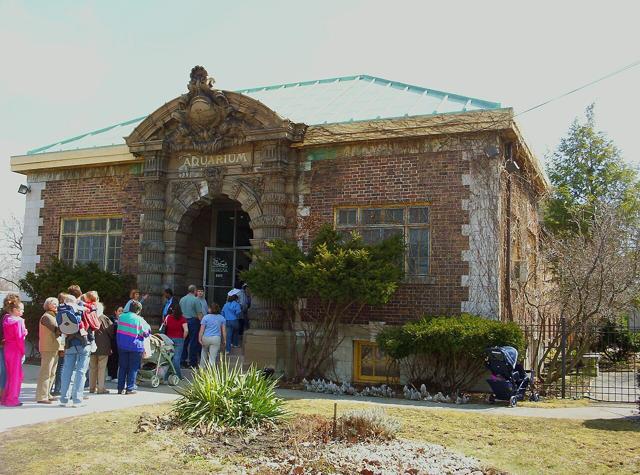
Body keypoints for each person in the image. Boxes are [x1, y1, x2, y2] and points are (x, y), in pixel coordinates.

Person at [57, 293, 91, 408]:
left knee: (67, 371)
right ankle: (77, 399)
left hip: (69, 344)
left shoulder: (61, 310)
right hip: (82, 343)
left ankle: (63, 399)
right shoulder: (78, 309)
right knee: (80, 372)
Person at [116, 300, 150, 395]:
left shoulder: (121, 317)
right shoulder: (139, 319)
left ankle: (120, 388)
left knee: (122, 367)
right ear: (138, 311)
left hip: (122, 345)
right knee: (133, 368)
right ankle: (129, 388)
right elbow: (145, 333)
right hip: (135, 347)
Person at [1, 294, 27, 406]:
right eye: (21, 309)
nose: (23, 311)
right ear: (15, 309)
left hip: (7, 349)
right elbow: (20, 339)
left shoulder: (6, 319)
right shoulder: (19, 321)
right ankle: (12, 399)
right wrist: (23, 352)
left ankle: (5, 398)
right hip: (15, 349)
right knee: (16, 375)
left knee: (9, 375)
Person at [36, 297, 60, 404]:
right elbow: (57, 329)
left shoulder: (53, 315)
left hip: (54, 347)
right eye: (53, 303)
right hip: (47, 347)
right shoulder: (47, 316)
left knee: (52, 372)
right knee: (46, 372)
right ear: (47, 305)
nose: (55, 305)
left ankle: (47, 393)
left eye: (56, 303)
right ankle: (42, 396)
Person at [89, 302, 114, 394]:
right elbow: (111, 332)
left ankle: (92, 387)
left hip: (91, 346)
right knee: (102, 368)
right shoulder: (104, 318)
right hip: (103, 347)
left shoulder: (90, 316)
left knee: (92, 367)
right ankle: (101, 388)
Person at [162, 303, 187, 381]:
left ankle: (166, 376)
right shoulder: (183, 319)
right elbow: (186, 330)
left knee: (169, 358)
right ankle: (178, 376)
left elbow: (164, 327)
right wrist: (183, 338)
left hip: (168, 339)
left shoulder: (168, 317)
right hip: (179, 339)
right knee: (176, 358)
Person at [179, 284, 203, 367]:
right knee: (193, 342)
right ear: (195, 291)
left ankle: (182, 361)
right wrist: (202, 324)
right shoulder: (196, 300)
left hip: (183, 321)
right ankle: (192, 363)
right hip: (193, 321)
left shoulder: (182, 299)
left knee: (184, 342)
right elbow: (199, 314)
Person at [107, 306, 124, 381]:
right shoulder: (111, 319)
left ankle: (114, 376)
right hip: (111, 341)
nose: (121, 312)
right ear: (115, 312)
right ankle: (109, 374)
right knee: (110, 358)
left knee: (116, 359)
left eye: (122, 311)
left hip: (119, 342)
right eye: (119, 311)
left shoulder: (124, 320)